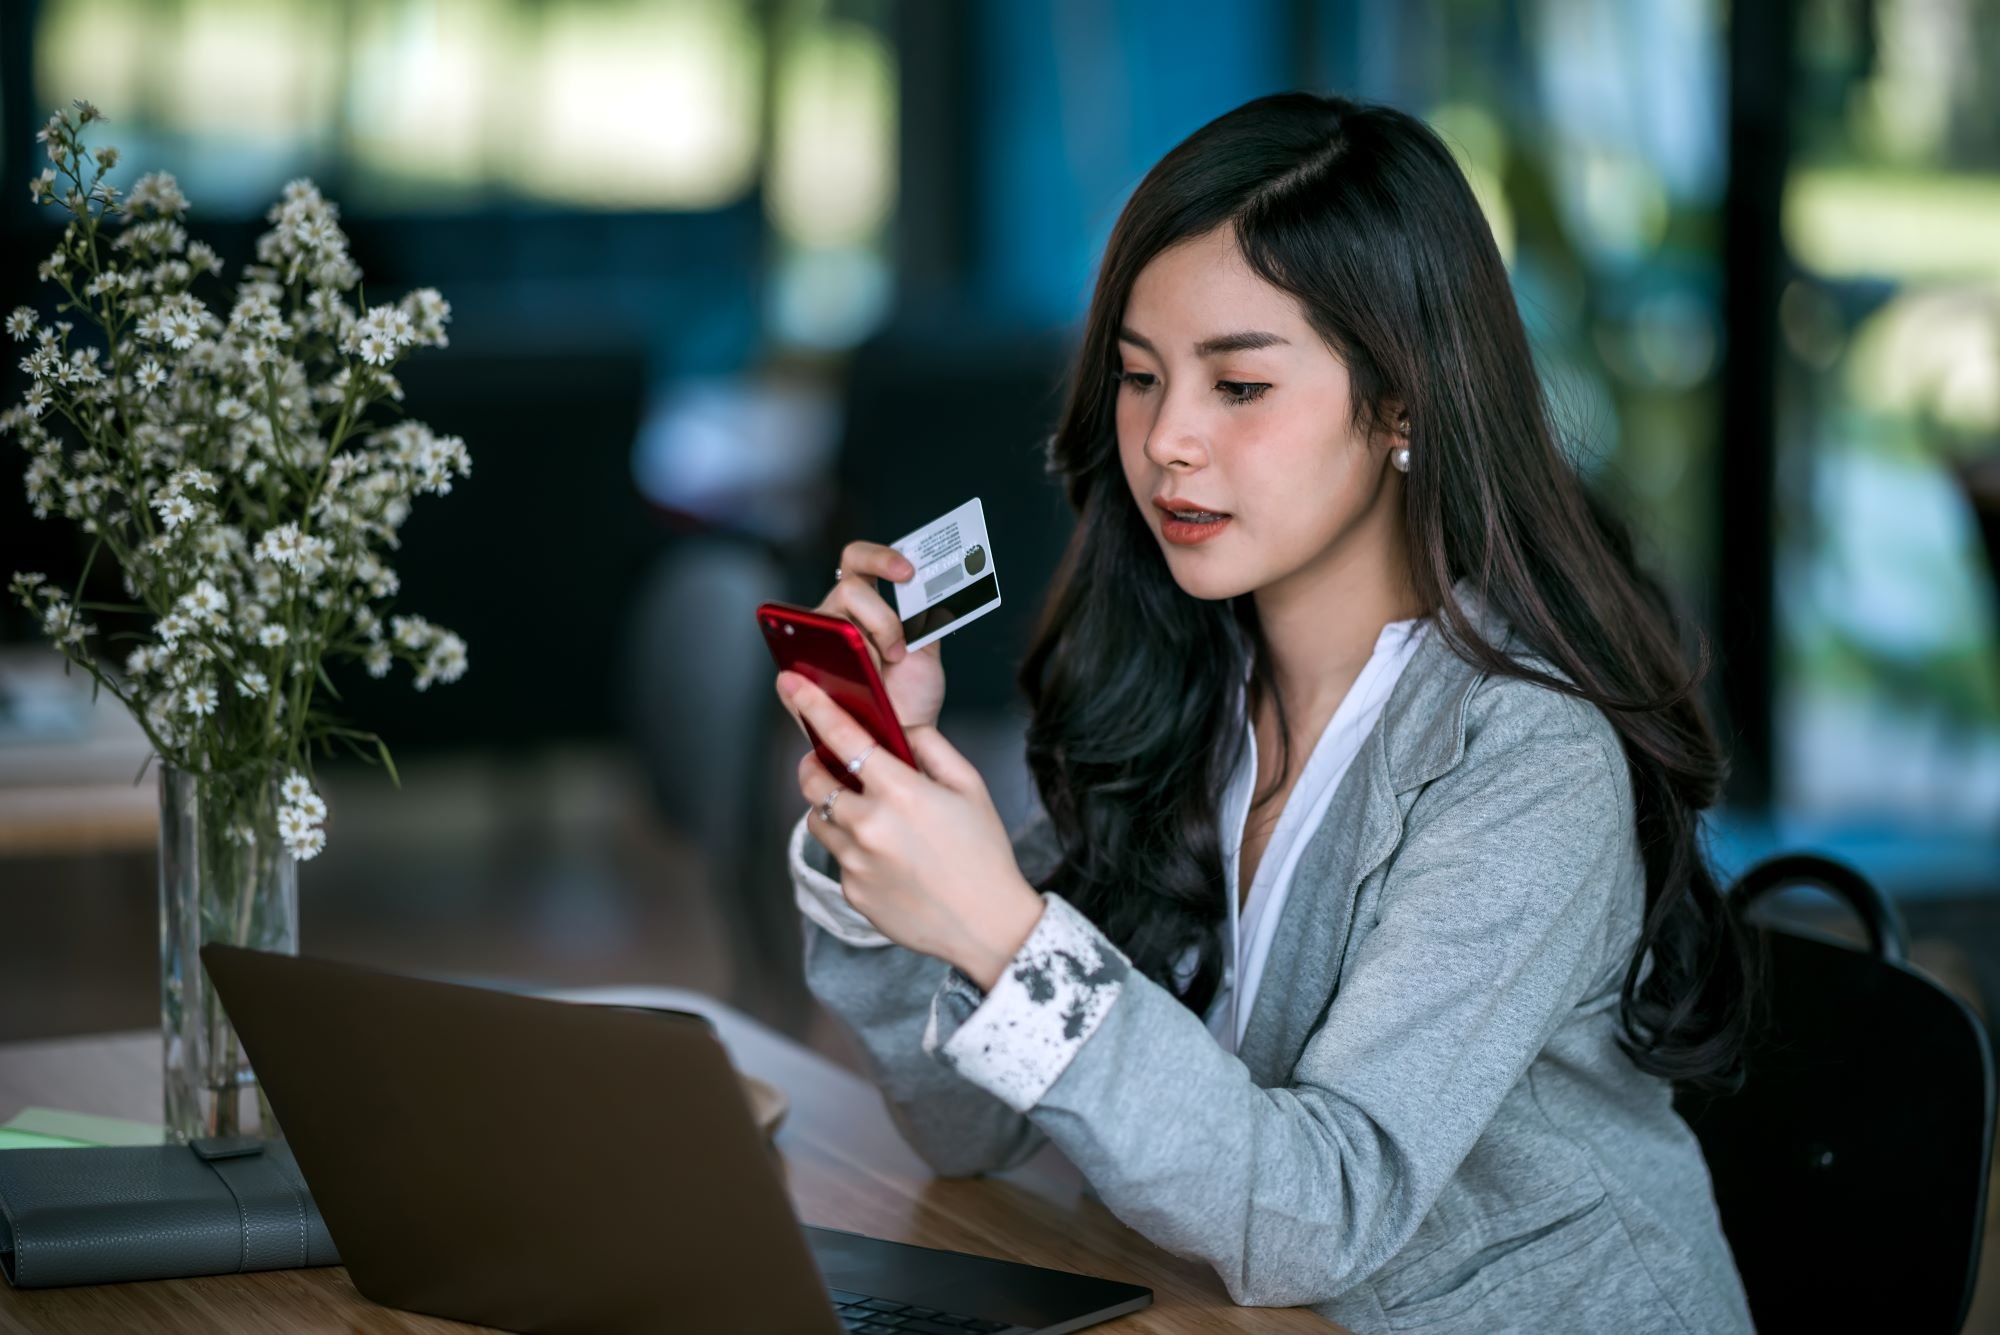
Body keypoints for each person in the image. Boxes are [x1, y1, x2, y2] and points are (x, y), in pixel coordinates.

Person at [772, 92, 1755, 1334]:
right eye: (1136, 376)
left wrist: (1006, 934)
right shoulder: (1187, 692)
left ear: (1401, 402)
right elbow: (959, 1126)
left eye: (1237, 384)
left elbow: (1324, 1215)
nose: (1166, 438)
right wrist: (878, 796)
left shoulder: (1525, 755)